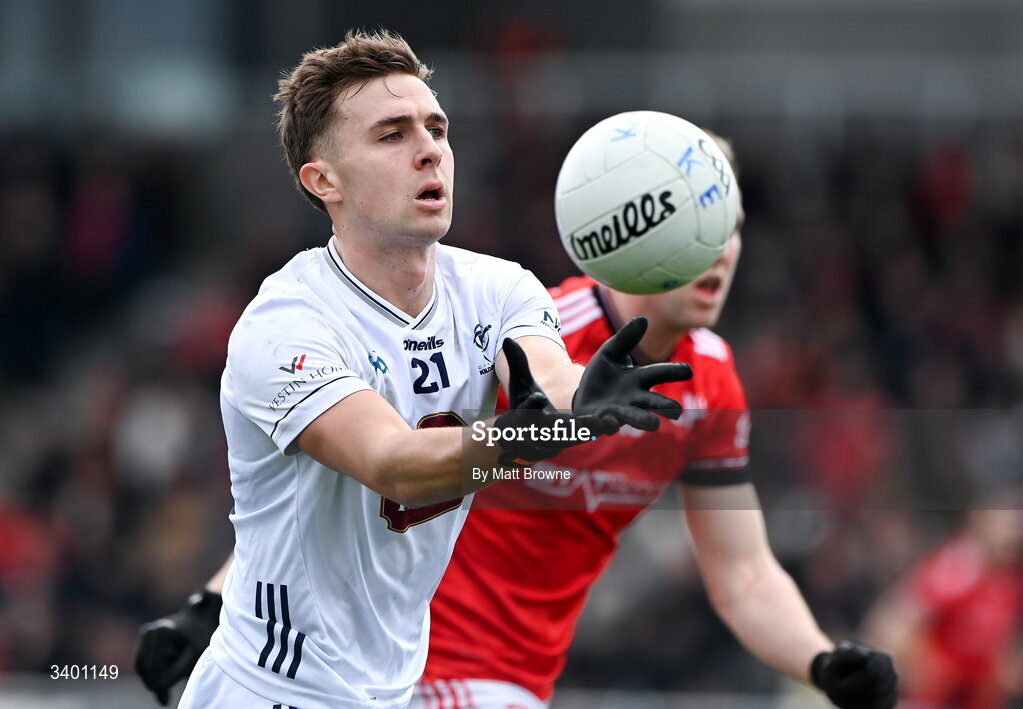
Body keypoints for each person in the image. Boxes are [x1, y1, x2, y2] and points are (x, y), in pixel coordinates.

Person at [136, 85, 894, 707]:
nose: (717, 249)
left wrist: (822, 662)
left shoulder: (713, 382)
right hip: (411, 673)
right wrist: (209, 604)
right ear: (623, 224)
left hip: (515, 686)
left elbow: (743, 574)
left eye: (727, 223)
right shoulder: (524, 329)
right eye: (690, 216)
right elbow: (359, 473)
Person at [155, 29, 692, 709]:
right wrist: (525, 437)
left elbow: (549, 380)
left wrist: (578, 402)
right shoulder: (285, 325)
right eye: (392, 134)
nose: (429, 148)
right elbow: (394, 463)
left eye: (437, 128)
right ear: (324, 181)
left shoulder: (499, 288)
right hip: (271, 691)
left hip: (392, 691)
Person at [864, 504, 1023, 709]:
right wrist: (918, 670)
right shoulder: (960, 569)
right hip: (931, 699)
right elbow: (892, 624)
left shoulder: (1008, 582)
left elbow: (1002, 654)